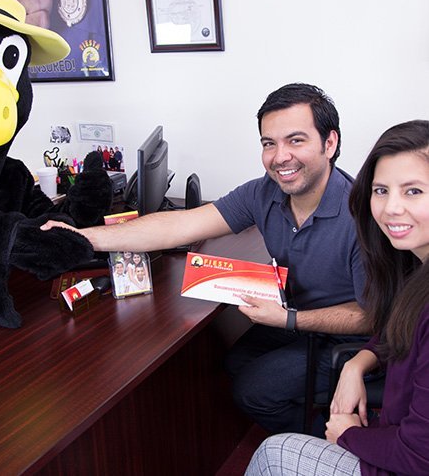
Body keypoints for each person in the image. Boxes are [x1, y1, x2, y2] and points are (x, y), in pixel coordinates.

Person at [41, 83, 369, 434]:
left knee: (251, 392)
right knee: (235, 361)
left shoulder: (362, 217)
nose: (280, 157)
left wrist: (290, 319)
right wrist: (83, 237)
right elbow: (180, 225)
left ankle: (345, 445)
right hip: (298, 319)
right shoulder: (264, 192)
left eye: (296, 140)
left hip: (353, 342)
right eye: (269, 143)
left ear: (329, 143)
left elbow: (374, 318)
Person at [245, 119, 429, 475]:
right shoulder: (411, 269)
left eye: (413, 191)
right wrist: (358, 363)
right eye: (381, 190)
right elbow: (398, 329)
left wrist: (347, 435)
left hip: (404, 461)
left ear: (329, 144)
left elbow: (419, 456)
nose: (391, 208)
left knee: (272, 450)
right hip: (392, 429)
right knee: (241, 365)